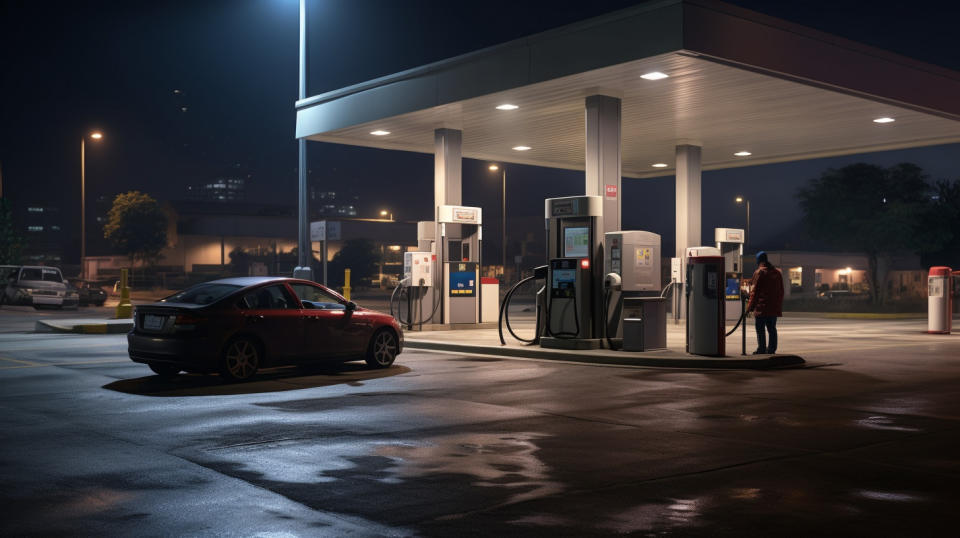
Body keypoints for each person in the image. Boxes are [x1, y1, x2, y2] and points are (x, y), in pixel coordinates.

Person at [746, 251, 784, 354]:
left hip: (761, 307)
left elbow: (754, 292)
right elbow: (781, 291)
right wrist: (778, 305)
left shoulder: (759, 272)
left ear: (758, 261)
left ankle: (761, 349)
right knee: (772, 329)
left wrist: (749, 307)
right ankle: (771, 349)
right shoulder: (777, 273)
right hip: (773, 307)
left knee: (760, 329)